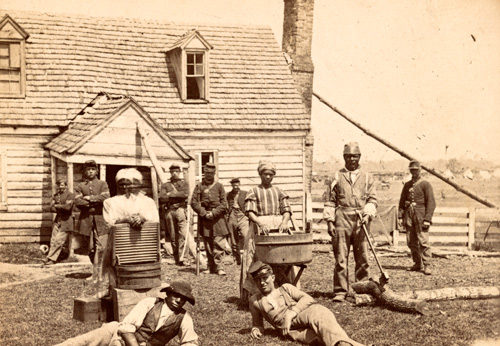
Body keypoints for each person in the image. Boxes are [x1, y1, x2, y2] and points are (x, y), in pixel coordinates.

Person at [248, 261, 364, 346]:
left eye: (265, 278)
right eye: (258, 280)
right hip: (291, 330)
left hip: (302, 315)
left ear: (272, 278)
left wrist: (290, 314)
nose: (262, 282)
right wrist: (256, 329)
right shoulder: (255, 301)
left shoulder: (285, 288)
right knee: (321, 337)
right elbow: (257, 324)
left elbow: (308, 299)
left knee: (319, 314)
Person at [55, 280, 199, 346]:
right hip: (116, 333)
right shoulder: (150, 303)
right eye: (176, 296)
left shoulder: (184, 318)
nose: (179, 300)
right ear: (167, 294)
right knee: (80, 342)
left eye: (184, 299)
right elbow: (126, 329)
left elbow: (190, 342)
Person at [323, 142, 377, 302]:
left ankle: (362, 288)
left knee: (362, 257)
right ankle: (340, 290)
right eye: (348, 156)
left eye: (354, 156)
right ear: (344, 157)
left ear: (359, 157)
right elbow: (329, 200)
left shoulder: (368, 176)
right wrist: (330, 222)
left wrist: (367, 215)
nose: (351, 159)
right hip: (342, 218)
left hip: (361, 219)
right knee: (341, 256)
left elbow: (372, 199)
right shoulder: (336, 176)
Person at [101, 168, 160, 297]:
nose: (127, 187)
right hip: (121, 249)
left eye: (132, 184)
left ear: (139, 184)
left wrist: (143, 218)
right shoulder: (110, 202)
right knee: (112, 270)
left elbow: (155, 220)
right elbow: (109, 222)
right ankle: (112, 292)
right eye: (123, 184)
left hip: (144, 248)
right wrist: (126, 219)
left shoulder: (148, 202)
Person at [243, 160, 295, 300]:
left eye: (271, 174)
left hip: (278, 228)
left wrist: (284, 221)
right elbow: (250, 212)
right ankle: (255, 293)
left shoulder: (278, 191)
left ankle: (284, 291)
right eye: (265, 174)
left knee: (281, 258)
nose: (268, 177)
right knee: (257, 259)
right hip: (259, 227)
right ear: (260, 174)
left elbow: (286, 210)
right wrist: (260, 222)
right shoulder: (254, 191)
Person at [398, 160, 436, 275]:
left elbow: (431, 203)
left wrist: (427, 219)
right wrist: (400, 216)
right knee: (411, 242)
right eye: (412, 170)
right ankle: (417, 263)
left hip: (421, 217)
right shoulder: (407, 185)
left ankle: (427, 265)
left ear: (420, 170)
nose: (414, 172)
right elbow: (402, 201)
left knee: (423, 242)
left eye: (416, 170)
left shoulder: (425, 184)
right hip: (409, 217)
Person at [191, 162, 229, 276]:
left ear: (214, 174)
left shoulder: (219, 186)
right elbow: (194, 202)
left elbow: (224, 204)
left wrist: (213, 213)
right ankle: (210, 266)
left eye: (211, 173)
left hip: (218, 219)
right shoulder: (199, 186)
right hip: (205, 218)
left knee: (218, 243)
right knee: (208, 243)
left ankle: (219, 267)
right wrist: (203, 213)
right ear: (204, 173)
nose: (209, 175)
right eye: (207, 173)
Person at [74, 160, 110, 281]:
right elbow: (78, 202)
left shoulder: (102, 184)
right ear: (84, 171)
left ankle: (101, 273)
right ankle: (94, 273)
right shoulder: (80, 186)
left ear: (96, 171)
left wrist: (90, 198)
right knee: (89, 248)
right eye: (88, 169)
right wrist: (95, 201)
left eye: (93, 169)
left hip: (100, 219)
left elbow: (105, 197)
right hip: (86, 220)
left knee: (102, 246)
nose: (90, 171)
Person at [159, 164, 190, 266]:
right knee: (173, 235)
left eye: (176, 171)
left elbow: (185, 194)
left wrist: (170, 194)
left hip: (181, 209)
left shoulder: (184, 183)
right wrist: (175, 195)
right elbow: (162, 197)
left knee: (183, 234)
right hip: (170, 211)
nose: (174, 173)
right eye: (172, 172)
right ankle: (177, 258)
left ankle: (184, 258)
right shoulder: (165, 185)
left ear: (179, 172)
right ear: (170, 173)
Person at [44, 179, 75, 265]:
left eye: (62, 185)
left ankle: (50, 259)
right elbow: (51, 208)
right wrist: (61, 206)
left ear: (66, 186)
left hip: (67, 221)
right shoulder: (56, 196)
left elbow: (68, 208)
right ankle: (52, 259)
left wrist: (57, 206)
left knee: (59, 240)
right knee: (53, 240)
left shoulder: (70, 195)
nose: (60, 187)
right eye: (59, 185)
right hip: (58, 220)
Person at [226, 178, 249, 265]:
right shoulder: (228, 195)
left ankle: (247, 258)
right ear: (231, 185)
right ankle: (237, 259)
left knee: (245, 235)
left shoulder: (245, 193)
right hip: (232, 215)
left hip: (242, 215)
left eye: (237, 184)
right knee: (233, 238)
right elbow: (225, 205)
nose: (235, 186)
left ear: (239, 184)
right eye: (234, 185)